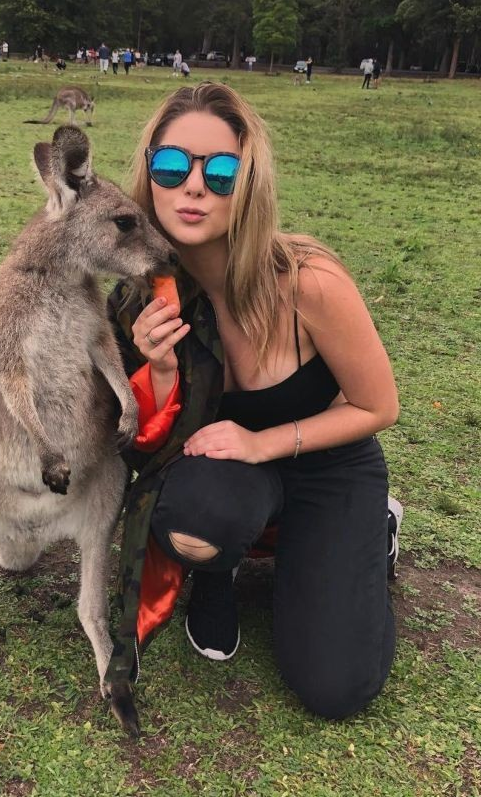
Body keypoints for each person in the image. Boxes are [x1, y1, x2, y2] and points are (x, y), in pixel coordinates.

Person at [105, 82, 401, 721]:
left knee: (335, 688)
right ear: (150, 173)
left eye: (220, 171)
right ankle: (219, 572)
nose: (192, 187)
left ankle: (369, 534)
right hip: (231, 474)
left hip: (329, 464)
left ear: (250, 183)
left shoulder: (307, 280)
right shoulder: (138, 300)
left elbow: (378, 406)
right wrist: (156, 368)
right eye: (172, 164)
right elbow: (143, 450)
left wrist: (264, 442)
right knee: (191, 514)